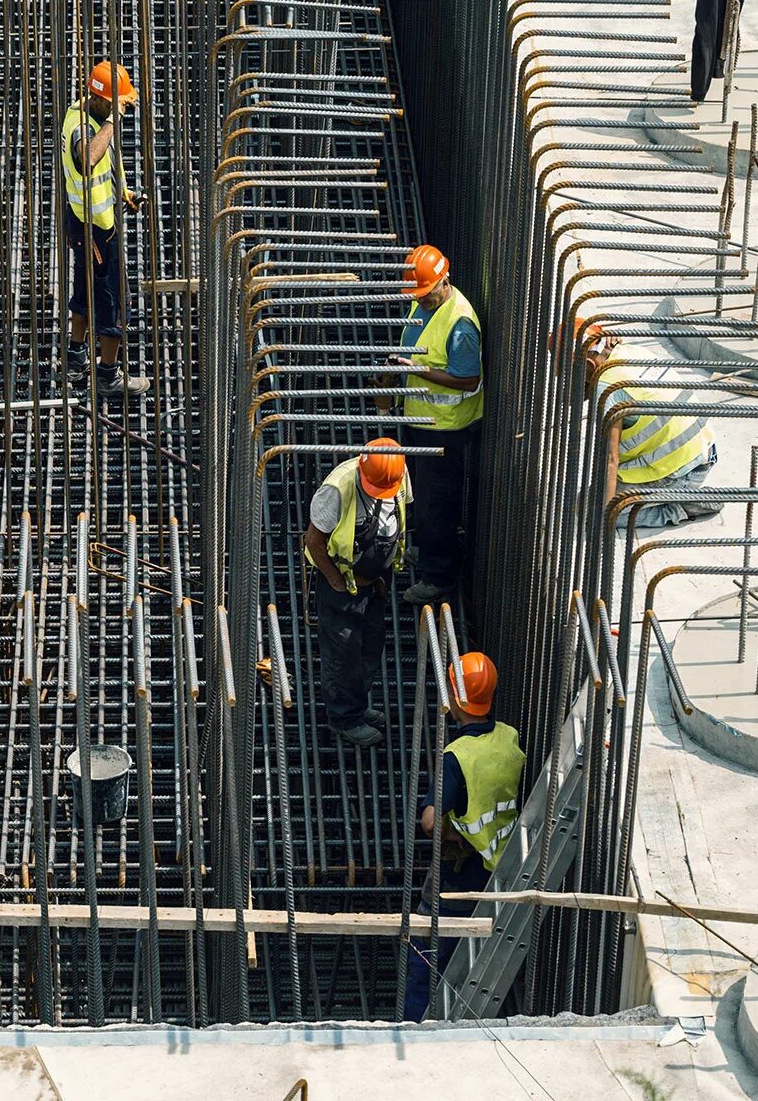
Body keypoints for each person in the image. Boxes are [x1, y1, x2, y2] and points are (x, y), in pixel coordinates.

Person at [403, 650, 524, 1021]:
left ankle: (414, 1025)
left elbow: (428, 821)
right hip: (500, 872)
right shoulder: (509, 737)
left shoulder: (458, 756)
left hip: (456, 880)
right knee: (478, 954)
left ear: (455, 698)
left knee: (426, 955)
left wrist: (453, 834)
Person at [389, 245, 482, 606]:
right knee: (421, 496)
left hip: (444, 430)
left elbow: (468, 379)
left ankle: (439, 575)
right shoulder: (424, 299)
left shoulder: (460, 325)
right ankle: (427, 550)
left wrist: (418, 371)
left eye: (426, 296)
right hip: (420, 419)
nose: (421, 302)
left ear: (444, 281)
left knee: (435, 504)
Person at [302, 438, 410, 745]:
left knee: (370, 647)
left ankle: (357, 706)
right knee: (343, 654)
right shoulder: (338, 488)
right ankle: (344, 718)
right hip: (343, 587)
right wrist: (336, 580)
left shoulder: (396, 473)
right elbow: (313, 540)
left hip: (376, 581)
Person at [60, 60, 149, 397]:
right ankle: (109, 375)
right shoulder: (86, 127)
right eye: (119, 103)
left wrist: (122, 193)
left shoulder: (83, 114)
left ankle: (75, 355)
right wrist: (113, 120)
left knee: (83, 289)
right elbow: (87, 159)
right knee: (113, 301)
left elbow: (104, 168)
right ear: (104, 101)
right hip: (96, 228)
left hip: (85, 221)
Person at [582, 324, 721, 529]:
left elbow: (610, 460)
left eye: (563, 369)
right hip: (701, 449)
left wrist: (602, 516)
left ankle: (681, 506)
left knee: (593, 511)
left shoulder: (607, 392)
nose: (559, 376)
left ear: (588, 364)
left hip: (679, 472)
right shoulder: (627, 351)